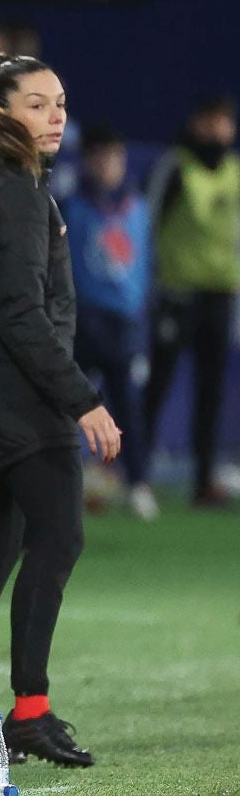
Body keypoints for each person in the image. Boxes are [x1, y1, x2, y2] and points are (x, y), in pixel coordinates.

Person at [0, 53, 120, 769]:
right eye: (37, 104)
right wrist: (82, 400)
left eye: (60, 103)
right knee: (58, 537)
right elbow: (20, 312)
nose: (56, 116)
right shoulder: (10, 191)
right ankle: (29, 712)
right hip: (19, 403)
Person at [144, 95, 239, 508]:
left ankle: (203, 483)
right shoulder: (176, 167)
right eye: (212, 122)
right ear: (196, 123)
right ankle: (136, 475)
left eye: (226, 123)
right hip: (177, 294)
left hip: (221, 294)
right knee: (158, 385)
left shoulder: (235, 171)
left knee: (211, 391)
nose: (220, 131)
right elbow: (147, 223)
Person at [60, 124, 155, 518]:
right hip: (81, 321)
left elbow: (144, 265)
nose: (108, 166)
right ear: (87, 161)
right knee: (63, 404)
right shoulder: (70, 204)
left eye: (114, 158)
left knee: (128, 408)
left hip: (122, 324)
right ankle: (60, 484)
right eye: (100, 158)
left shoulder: (137, 206)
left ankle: (137, 484)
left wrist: (139, 314)